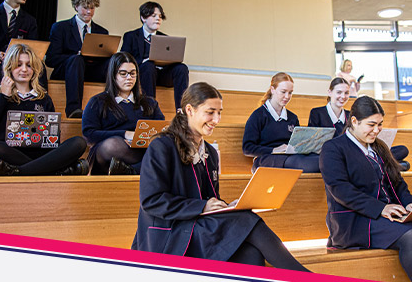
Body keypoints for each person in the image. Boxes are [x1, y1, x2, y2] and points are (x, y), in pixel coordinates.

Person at [131, 82, 310, 272]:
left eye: (220, 112)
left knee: (252, 254)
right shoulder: (161, 146)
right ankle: (307, 278)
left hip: (198, 227)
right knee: (247, 219)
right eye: (210, 112)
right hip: (171, 235)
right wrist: (203, 206)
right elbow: (152, 201)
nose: (216, 119)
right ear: (189, 110)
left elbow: (210, 199)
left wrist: (225, 206)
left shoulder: (210, 152)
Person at [319, 96, 412, 282]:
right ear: (354, 121)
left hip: (385, 214)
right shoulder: (333, 149)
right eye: (371, 125)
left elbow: (398, 183)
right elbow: (341, 190)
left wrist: (410, 205)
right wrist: (381, 209)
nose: (377, 130)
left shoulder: (379, 148)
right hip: (354, 220)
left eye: (380, 124)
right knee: (410, 235)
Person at [0, 43, 88, 176]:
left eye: (29, 65)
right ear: (10, 67)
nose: (24, 69)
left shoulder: (44, 98)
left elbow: (52, 135)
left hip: (41, 155)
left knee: (79, 143)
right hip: (11, 153)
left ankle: (18, 172)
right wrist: (3, 96)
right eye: (19, 64)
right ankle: (52, 171)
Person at [81, 52, 165, 175]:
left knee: (167, 147)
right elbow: (89, 134)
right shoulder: (98, 101)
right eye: (123, 74)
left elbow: (161, 127)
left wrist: (142, 138)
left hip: (142, 149)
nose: (129, 78)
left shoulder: (149, 102)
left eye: (132, 73)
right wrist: (125, 134)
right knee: (113, 144)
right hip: (110, 153)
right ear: (113, 75)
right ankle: (137, 169)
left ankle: (131, 171)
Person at [308, 77, 410, 171]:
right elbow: (313, 144)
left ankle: (368, 162)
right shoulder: (317, 113)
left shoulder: (350, 114)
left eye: (346, 93)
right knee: (314, 161)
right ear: (330, 92)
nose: (343, 96)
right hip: (334, 154)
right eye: (339, 92)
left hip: (358, 151)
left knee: (402, 150)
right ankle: (376, 163)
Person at [46, 0, 109, 118]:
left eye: (92, 8)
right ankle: (74, 109)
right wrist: (77, 55)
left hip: (91, 71)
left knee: (114, 60)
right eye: (85, 7)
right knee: (76, 60)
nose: (89, 12)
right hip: (68, 71)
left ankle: (110, 108)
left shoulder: (102, 31)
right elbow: (51, 59)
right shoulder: (60, 28)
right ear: (76, 7)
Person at [242, 72, 320, 173]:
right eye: (283, 92)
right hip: (267, 159)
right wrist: (273, 150)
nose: (287, 96)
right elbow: (247, 148)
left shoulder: (292, 118)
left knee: (322, 158)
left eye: (290, 92)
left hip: (290, 157)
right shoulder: (258, 116)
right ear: (273, 90)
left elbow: (298, 144)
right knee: (309, 163)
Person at [121, 1, 188, 111]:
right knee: (148, 65)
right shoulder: (131, 36)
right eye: (154, 16)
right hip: (143, 74)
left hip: (161, 73)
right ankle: (149, 107)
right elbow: (123, 60)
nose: (158, 19)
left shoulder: (165, 38)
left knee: (182, 68)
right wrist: (144, 61)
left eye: (160, 16)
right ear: (143, 18)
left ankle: (182, 109)